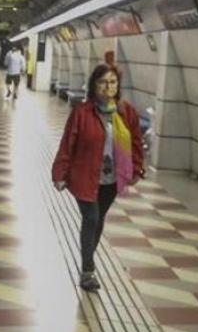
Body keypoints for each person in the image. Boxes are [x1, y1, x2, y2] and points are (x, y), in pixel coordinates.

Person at [52, 63, 145, 291]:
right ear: (94, 85)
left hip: (111, 179)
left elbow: (135, 142)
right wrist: (59, 173)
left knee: (99, 218)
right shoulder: (82, 112)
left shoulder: (127, 112)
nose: (108, 86)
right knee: (91, 218)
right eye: (103, 82)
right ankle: (88, 271)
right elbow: (68, 142)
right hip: (84, 175)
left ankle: (87, 258)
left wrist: (137, 169)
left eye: (112, 82)